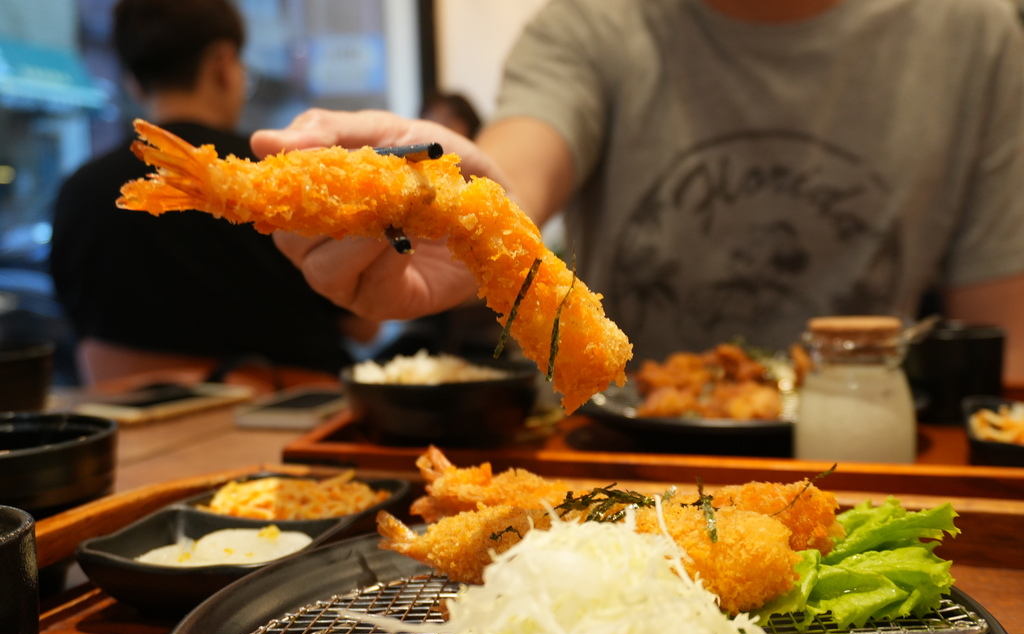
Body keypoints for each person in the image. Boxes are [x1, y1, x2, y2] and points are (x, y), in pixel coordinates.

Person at [249, 0, 1024, 384]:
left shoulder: (977, 36)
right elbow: (516, 172)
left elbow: (1005, 345)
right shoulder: (594, 23)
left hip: (869, 458)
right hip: (624, 466)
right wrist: (466, 206)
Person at [50, 0, 360, 388]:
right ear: (223, 64)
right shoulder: (282, 176)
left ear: (133, 80)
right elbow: (364, 323)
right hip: (289, 423)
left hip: (129, 430)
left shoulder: (77, 191)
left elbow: (76, 327)